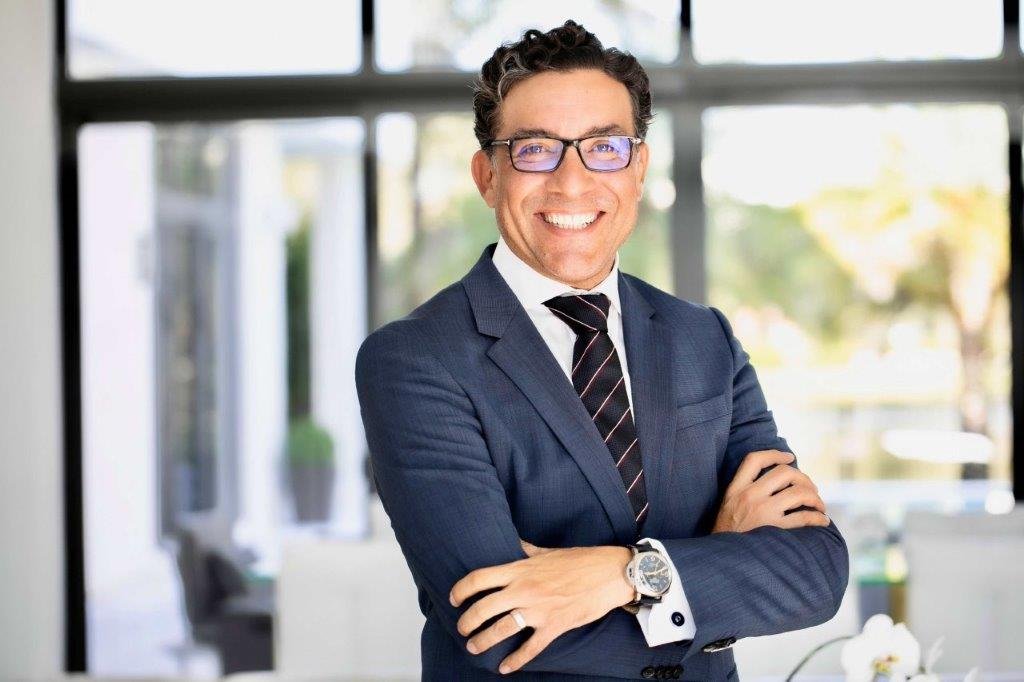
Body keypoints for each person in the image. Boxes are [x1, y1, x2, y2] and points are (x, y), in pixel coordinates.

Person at [355, 20, 849, 681]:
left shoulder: (703, 337)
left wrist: (626, 573)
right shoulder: (415, 359)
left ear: (638, 169)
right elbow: (499, 628)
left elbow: (814, 574)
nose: (572, 182)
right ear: (487, 175)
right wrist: (715, 568)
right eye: (535, 149)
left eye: (604, 148)